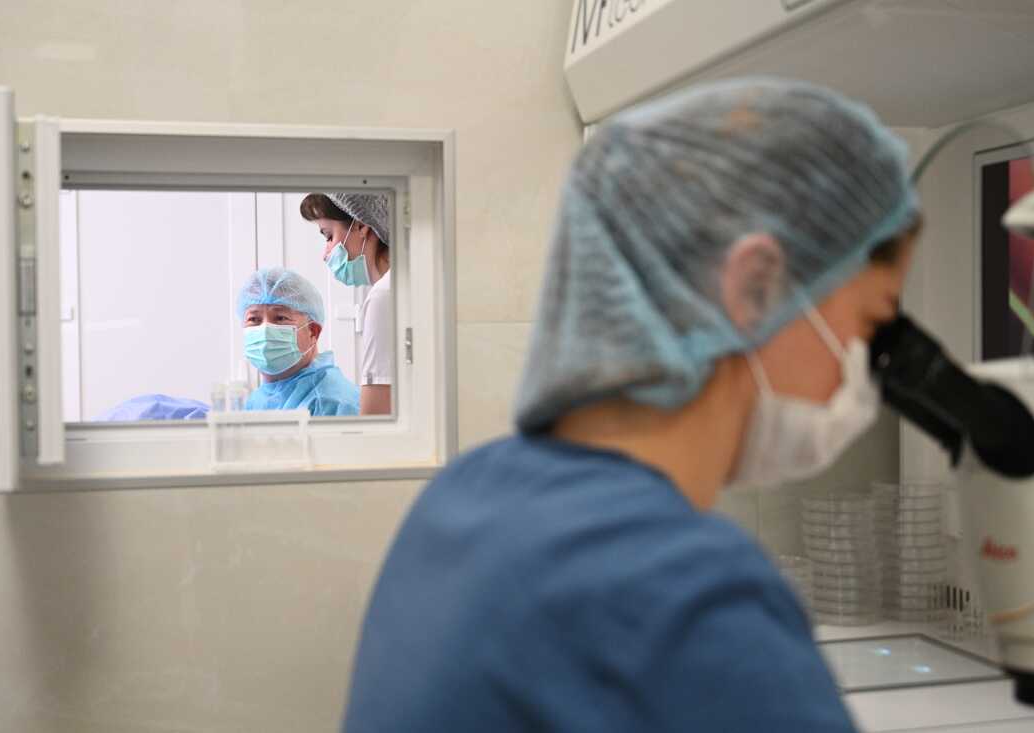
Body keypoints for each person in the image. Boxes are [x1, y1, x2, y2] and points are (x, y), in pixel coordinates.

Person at [343, 78, 922, 731]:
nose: (863, 373)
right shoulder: (692, 596)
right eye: (870, 325)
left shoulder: (458, 503)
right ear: (756, 286)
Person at [300, 193, 393, 416]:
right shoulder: (399, 286)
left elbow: (376, 417)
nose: (326, 254)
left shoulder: (385, 295)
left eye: (329, 236)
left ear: (361, 225)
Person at [237, 267, 359, 416]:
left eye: (280, 318)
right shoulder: (258, 399)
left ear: (313, 331)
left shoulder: (331, 403)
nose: (265, 329)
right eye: (253, 319)